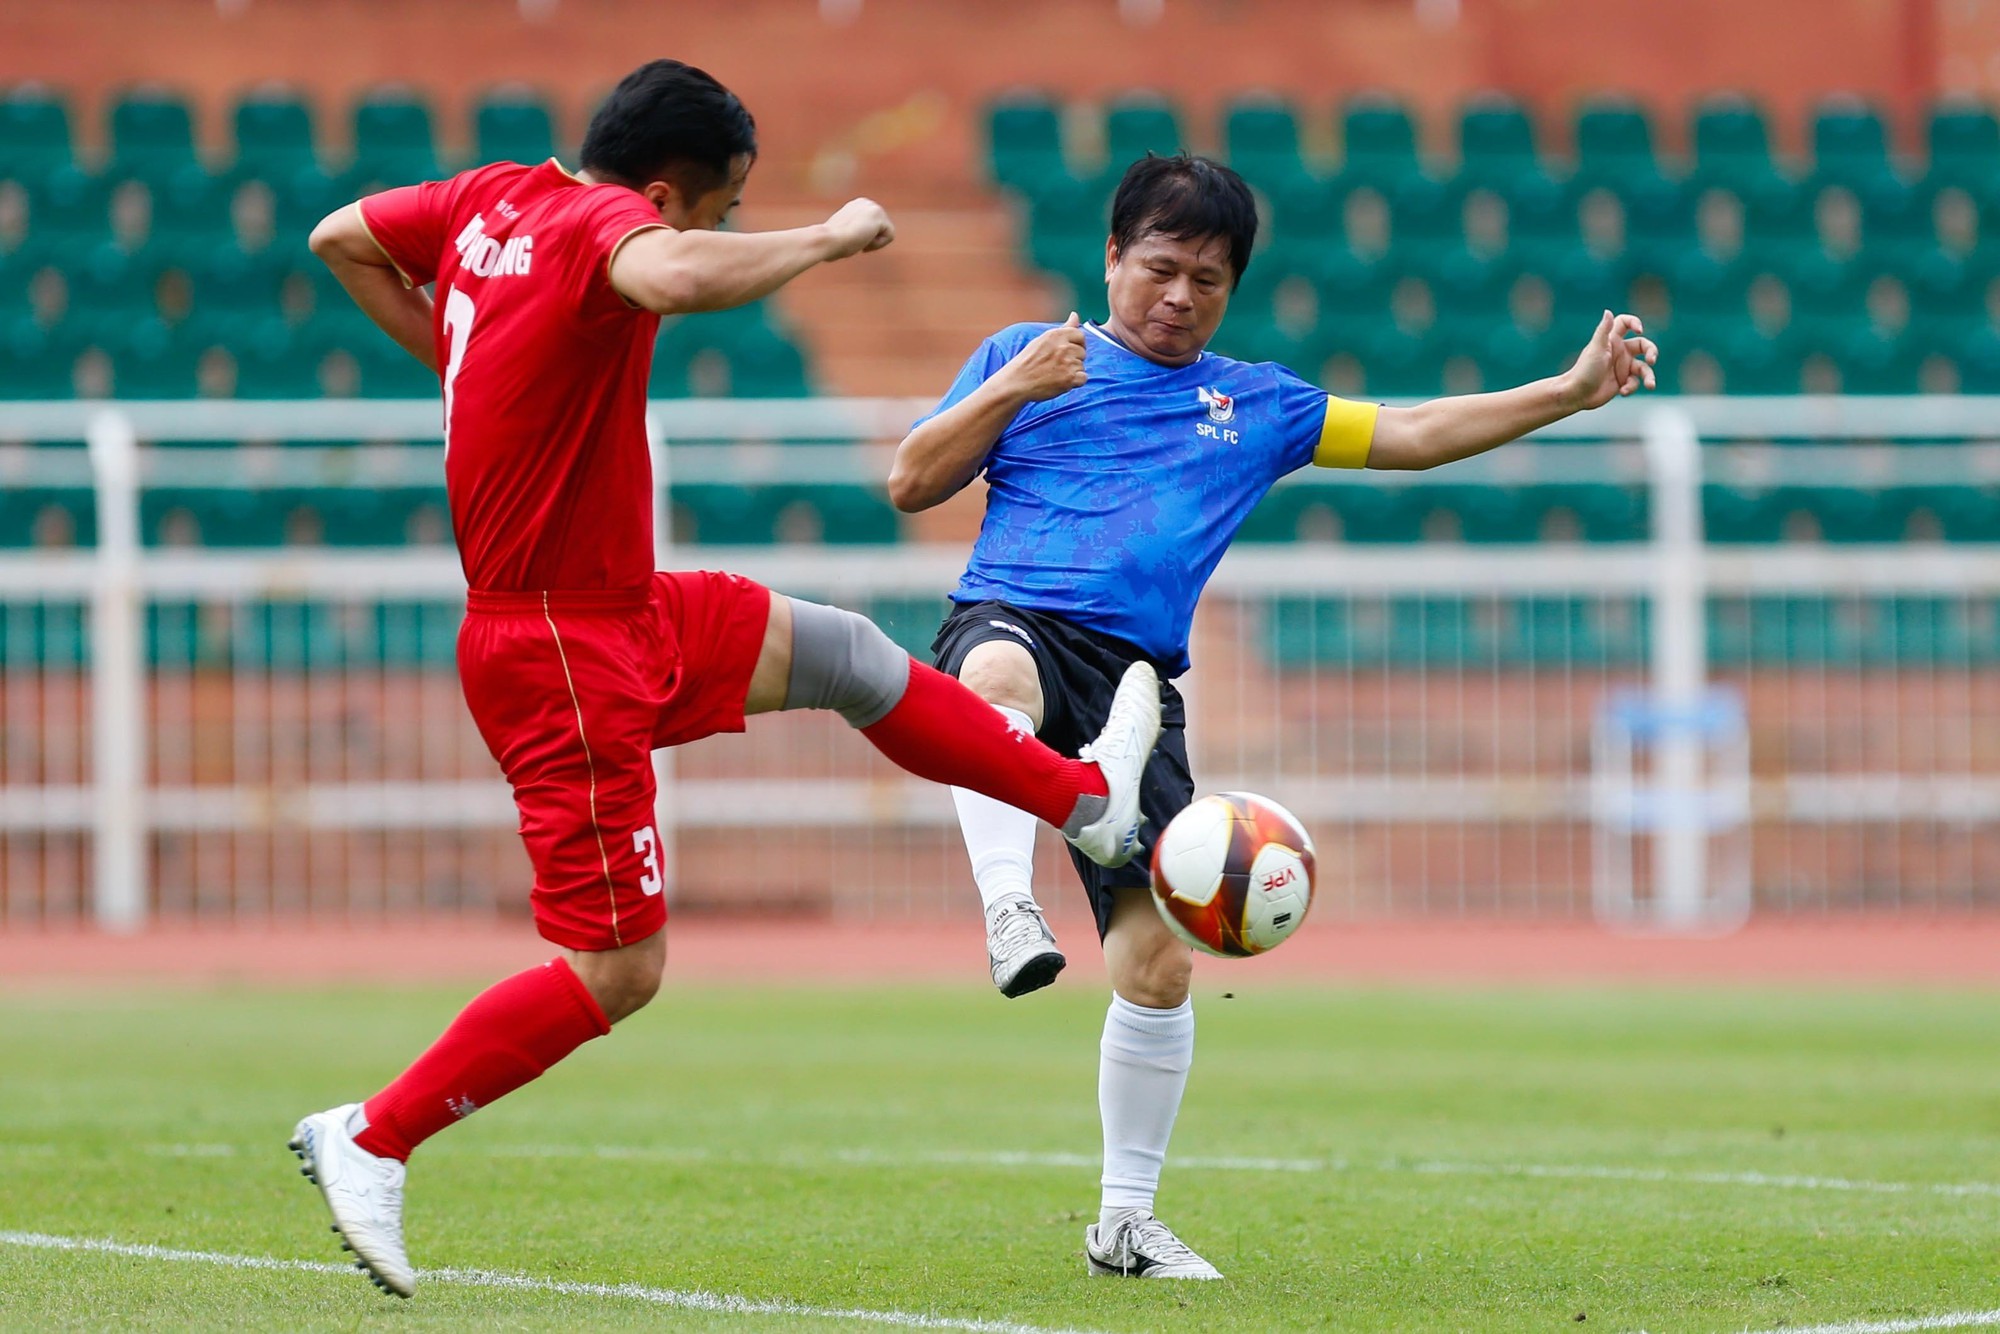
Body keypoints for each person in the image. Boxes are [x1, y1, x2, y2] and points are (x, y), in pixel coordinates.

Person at [287, 59, 1163, 1300]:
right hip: (559, 654)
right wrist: (825, 240)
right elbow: (672, 273)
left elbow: (340, 235)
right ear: (661, 190)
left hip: (622, 606)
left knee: (851, 655)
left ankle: (1082, 798)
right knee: (618, 971)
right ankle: (371, 1134)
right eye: (724, 206)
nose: (723, 228)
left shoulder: (490, 198)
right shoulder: (611, 229)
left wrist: (459, 356)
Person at [889, 152, 1659, 1280]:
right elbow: (911, 480)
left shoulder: (1254, 404)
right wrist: (1013, 388)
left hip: (1137, 689)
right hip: (1009, 615)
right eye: (1157, 268)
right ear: (1110, 258)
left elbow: (1410, 429)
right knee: (997, 681)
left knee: (1157, 964)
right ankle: (1010, 911)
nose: (1177, 296)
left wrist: (1563, 391)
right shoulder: (1024, 352)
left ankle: (1122, 1222)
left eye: (1206, 279)